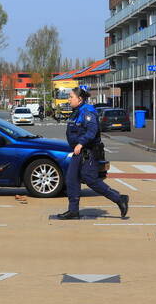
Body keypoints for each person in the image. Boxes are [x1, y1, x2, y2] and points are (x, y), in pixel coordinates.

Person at [55, 87, 129, 220]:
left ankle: (119, 199)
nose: (69, 99)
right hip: (79, 153)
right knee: (71, 179)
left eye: (71, 97)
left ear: (79, 99)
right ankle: (73, 211)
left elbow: (92, 130)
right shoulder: (76, 112)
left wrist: (81, 143)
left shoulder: (87, 112)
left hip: (89, 152)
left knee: (90, 180)